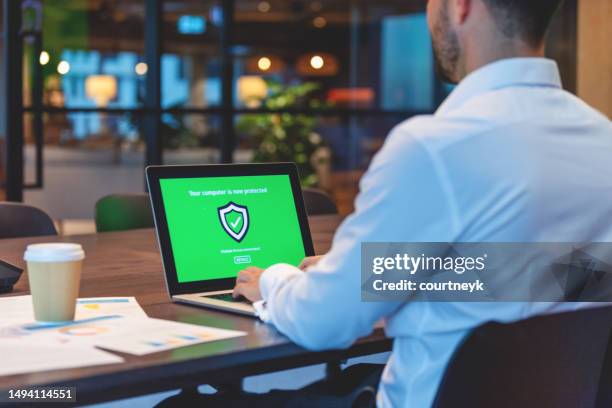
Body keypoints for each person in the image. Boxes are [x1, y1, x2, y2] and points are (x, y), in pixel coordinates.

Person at [233, 0, 612, 406]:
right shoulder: (601, 139)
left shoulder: (434, 147)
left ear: (462, 7)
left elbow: (323, 322)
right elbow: (572, 278)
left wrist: (273, 279)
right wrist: (380, 271)